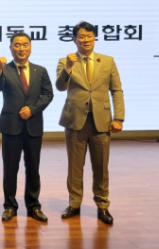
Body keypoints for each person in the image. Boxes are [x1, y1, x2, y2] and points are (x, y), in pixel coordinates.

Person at [56, 21, 125, 225]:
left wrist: (118, 118)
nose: (86, 40)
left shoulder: (108, 61)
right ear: (74, 40)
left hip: (101, 122)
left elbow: (116, 90)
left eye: (89, 36)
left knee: (101, 167)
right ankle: (74, 204)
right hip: (75, 120)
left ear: (94, 38)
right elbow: (60, 86)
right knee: (75, 167)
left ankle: (102, 205)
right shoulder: (65, 61)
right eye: (82, 37)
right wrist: (68, 68)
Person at [0, 32, 53, 222]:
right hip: (11, 126)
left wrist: (33, 109)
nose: (21, 48)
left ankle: (34, 206)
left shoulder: (40, 70)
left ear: (30, 47)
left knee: (33, 168)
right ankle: (10, 206)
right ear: (11, 48)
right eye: (17, 45)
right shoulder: (5, 69)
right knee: (10, 169)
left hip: (33, 126)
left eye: (25, 44)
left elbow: (48, 94)